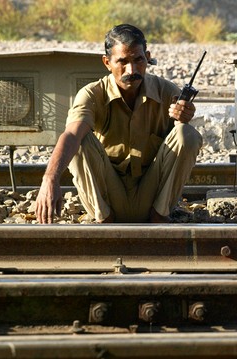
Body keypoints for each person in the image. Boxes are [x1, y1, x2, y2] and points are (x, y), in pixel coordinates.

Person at [35, 24, 202, 223]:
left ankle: (159, 219)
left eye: (138, 60)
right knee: (80, 140)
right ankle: (105, 223)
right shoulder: (92, 94)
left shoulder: (166, 91)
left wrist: (184, 117)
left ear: (147, 57)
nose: (132, 70)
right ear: (107, 62)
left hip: (152, 199)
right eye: (122, 61)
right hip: (108, 198)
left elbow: (182, 143)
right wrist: (50, 179)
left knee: (187, 134)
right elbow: (71, 135)